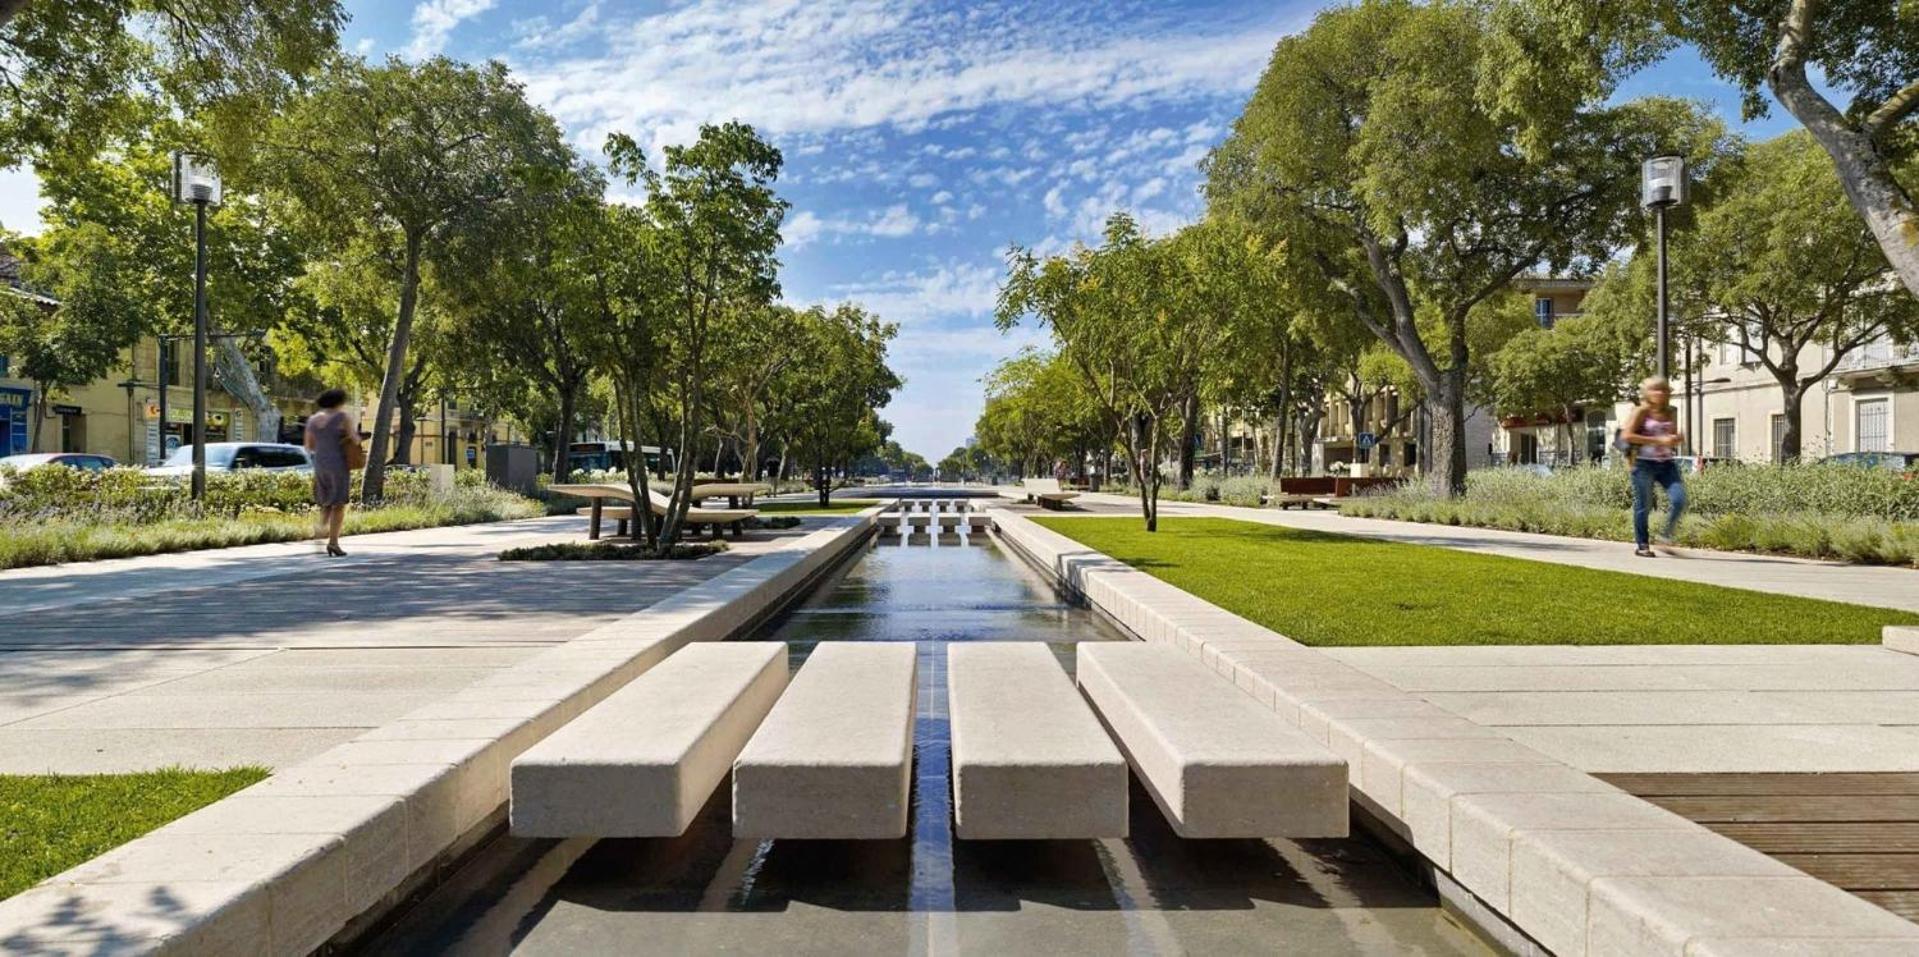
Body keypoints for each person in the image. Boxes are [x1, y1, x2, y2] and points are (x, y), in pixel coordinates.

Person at [1622, 376, 1687, 558]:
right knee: (1644, 505)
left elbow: (1670, 435)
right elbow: (1627, 436)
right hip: (1643, 464)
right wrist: (1658, 439)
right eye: (1655, 389)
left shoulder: (1670, 412)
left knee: (1679, 499)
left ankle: (1665, 537)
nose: (1659, 393)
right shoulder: (1641, 412)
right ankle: (1642, 545)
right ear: (1647, 393)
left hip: (1666, 463)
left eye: (1663, 389)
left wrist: (1676, 438)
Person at [303, 388, 358, 557]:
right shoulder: (343, 417)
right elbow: (354, 439)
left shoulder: (313, 420)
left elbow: (309, 446)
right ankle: (333, 543)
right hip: (338, 464)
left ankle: (319, 532)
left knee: (326, 502)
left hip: (320, 463)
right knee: (339, 504)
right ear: (339, 402)